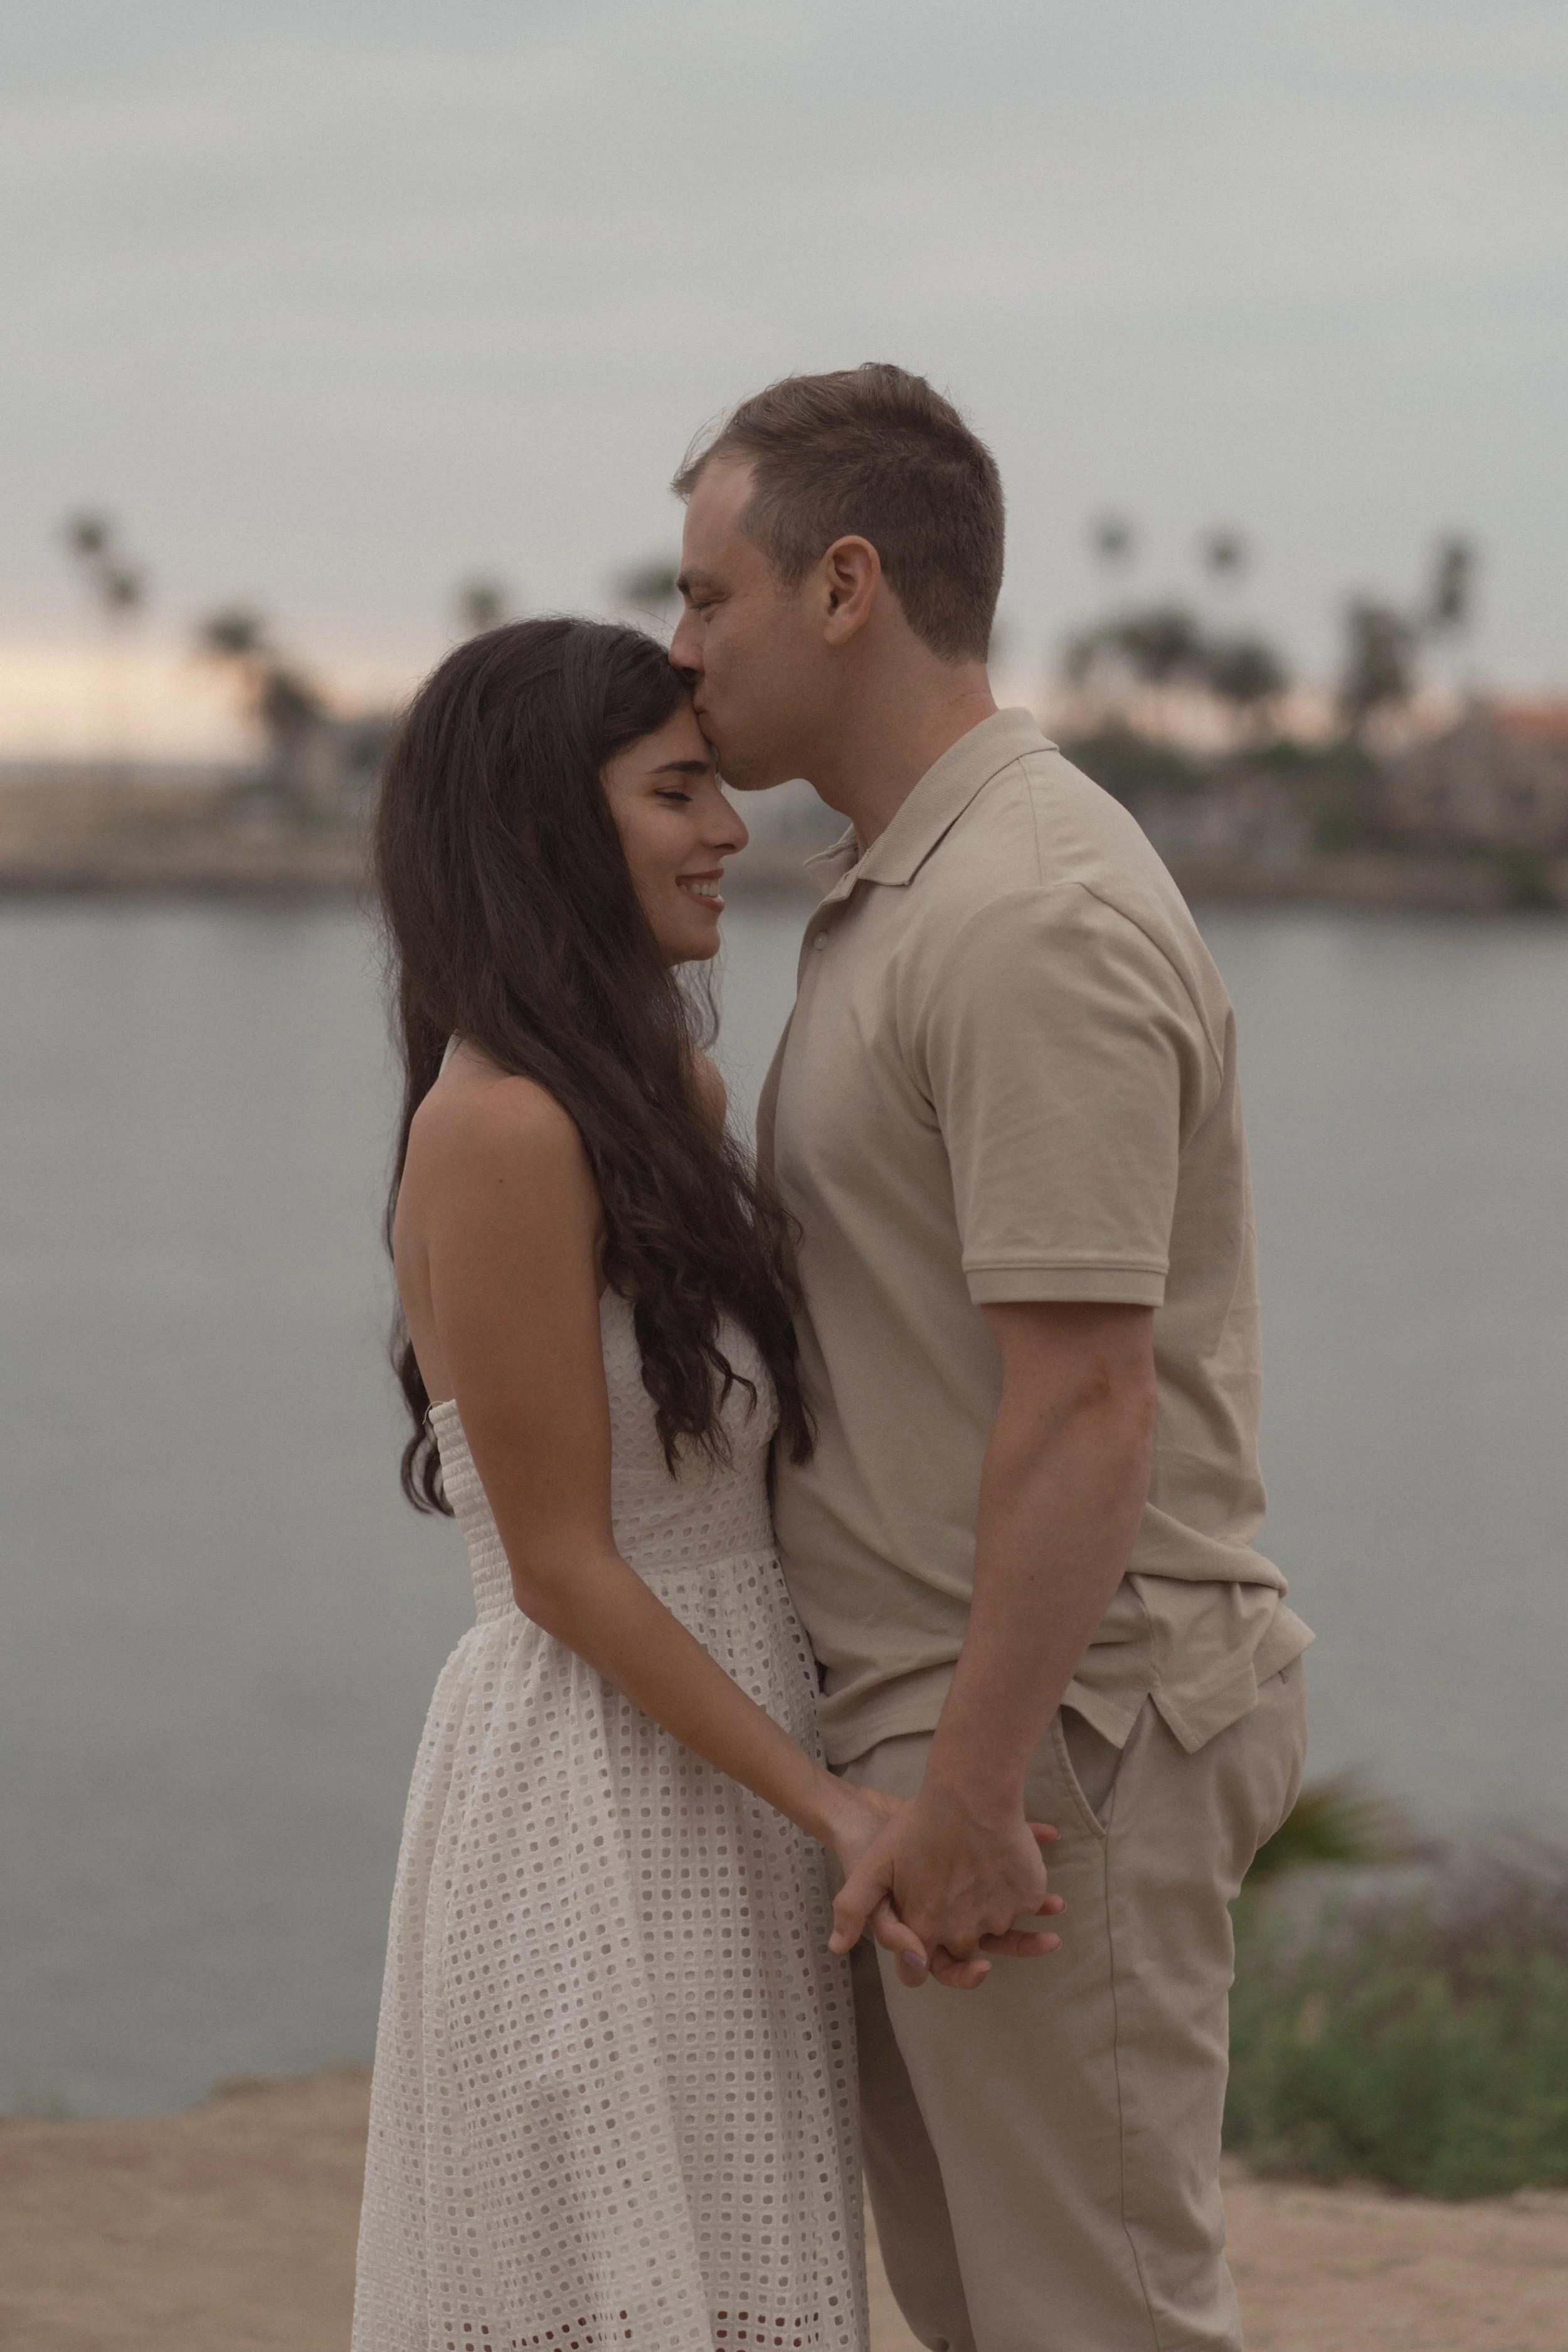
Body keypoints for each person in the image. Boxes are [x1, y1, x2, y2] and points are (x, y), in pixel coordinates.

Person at [670, 364, 1313, 2352]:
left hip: (1050, 1744)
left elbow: (1086, 1395)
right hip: (961, 1734)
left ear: (844, 584)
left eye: (711, 596)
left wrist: (963, 1790)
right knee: (994, 2316)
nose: (681, 647)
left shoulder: (1027, 912)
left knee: (1096, 2322)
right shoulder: (901, 895)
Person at [351, 617, 1058, 2352]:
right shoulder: (501, 1124)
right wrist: (838, 1811)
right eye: (676, 790)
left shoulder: (666, 1089)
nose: (729, 828)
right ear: (539, 829)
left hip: (726, 1768)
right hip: (590, 1788)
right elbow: (561, 1567)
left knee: (745, 2280)